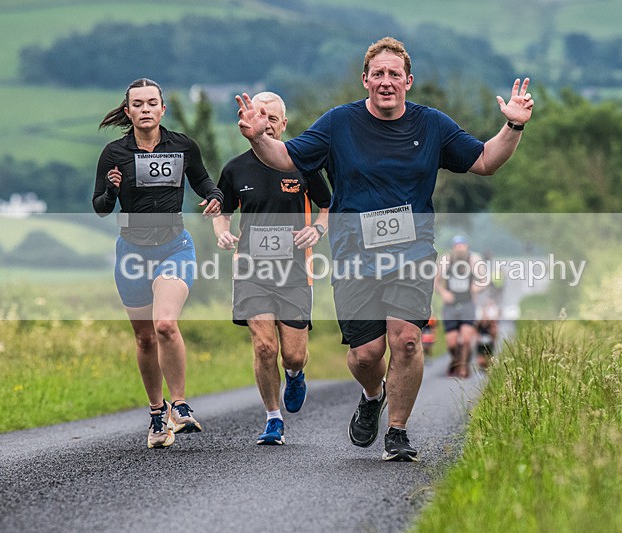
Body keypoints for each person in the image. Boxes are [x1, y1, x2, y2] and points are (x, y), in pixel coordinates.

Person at [236, 37, 533, 461]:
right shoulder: (339, 123)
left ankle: (398, 431)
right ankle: (372, 395)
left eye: (395, 74)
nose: (387, 81)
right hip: (353, 254)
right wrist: (257, 137)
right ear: (365, 80)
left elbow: (485, 161)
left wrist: (514, 126)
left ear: (408, 81)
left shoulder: (431, 124)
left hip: (412, 252)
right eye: (379, 73)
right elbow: (286, 158)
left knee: (407, 340)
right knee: (366, 354)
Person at [92, 78, 224, 449]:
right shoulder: (114, 154)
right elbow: (100, 208)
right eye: (138, 104)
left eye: (153, 103)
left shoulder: (182, 146)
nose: (146, 109)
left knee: (165, 324)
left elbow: (203, 181)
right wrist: (112, 192)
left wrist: (214, 196)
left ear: (162, 109)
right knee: (145, 338)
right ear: (128, 110)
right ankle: (156, 414)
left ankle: (179, 406)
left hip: (174, 247)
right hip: (133, 253)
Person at [213, 92, 331, 445]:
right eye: (259, 117)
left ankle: (295, 374)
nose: (266, 123)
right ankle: (273, 418)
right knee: (265, 346)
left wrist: (318, 229)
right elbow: (221, 208)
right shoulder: (236, 168)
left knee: (292, 354)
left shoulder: (303, 165)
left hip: (295, 271)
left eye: (272, 118)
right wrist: (222, 232)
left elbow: (329, 207)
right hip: (251, 269)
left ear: (283, 124)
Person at [434, 235, 487, 378]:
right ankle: (456, 360)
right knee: (452, 343)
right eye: (457, 245)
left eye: (462, 245)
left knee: (466, 339)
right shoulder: (446, 260)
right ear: (453, 247)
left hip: (468, 303)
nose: (459, 248)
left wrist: (477, 287)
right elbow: (436, 281)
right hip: (450, 305)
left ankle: (463, 367)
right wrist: (443, 293)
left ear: (467, 246)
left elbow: (484, 280)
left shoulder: (474, 260)